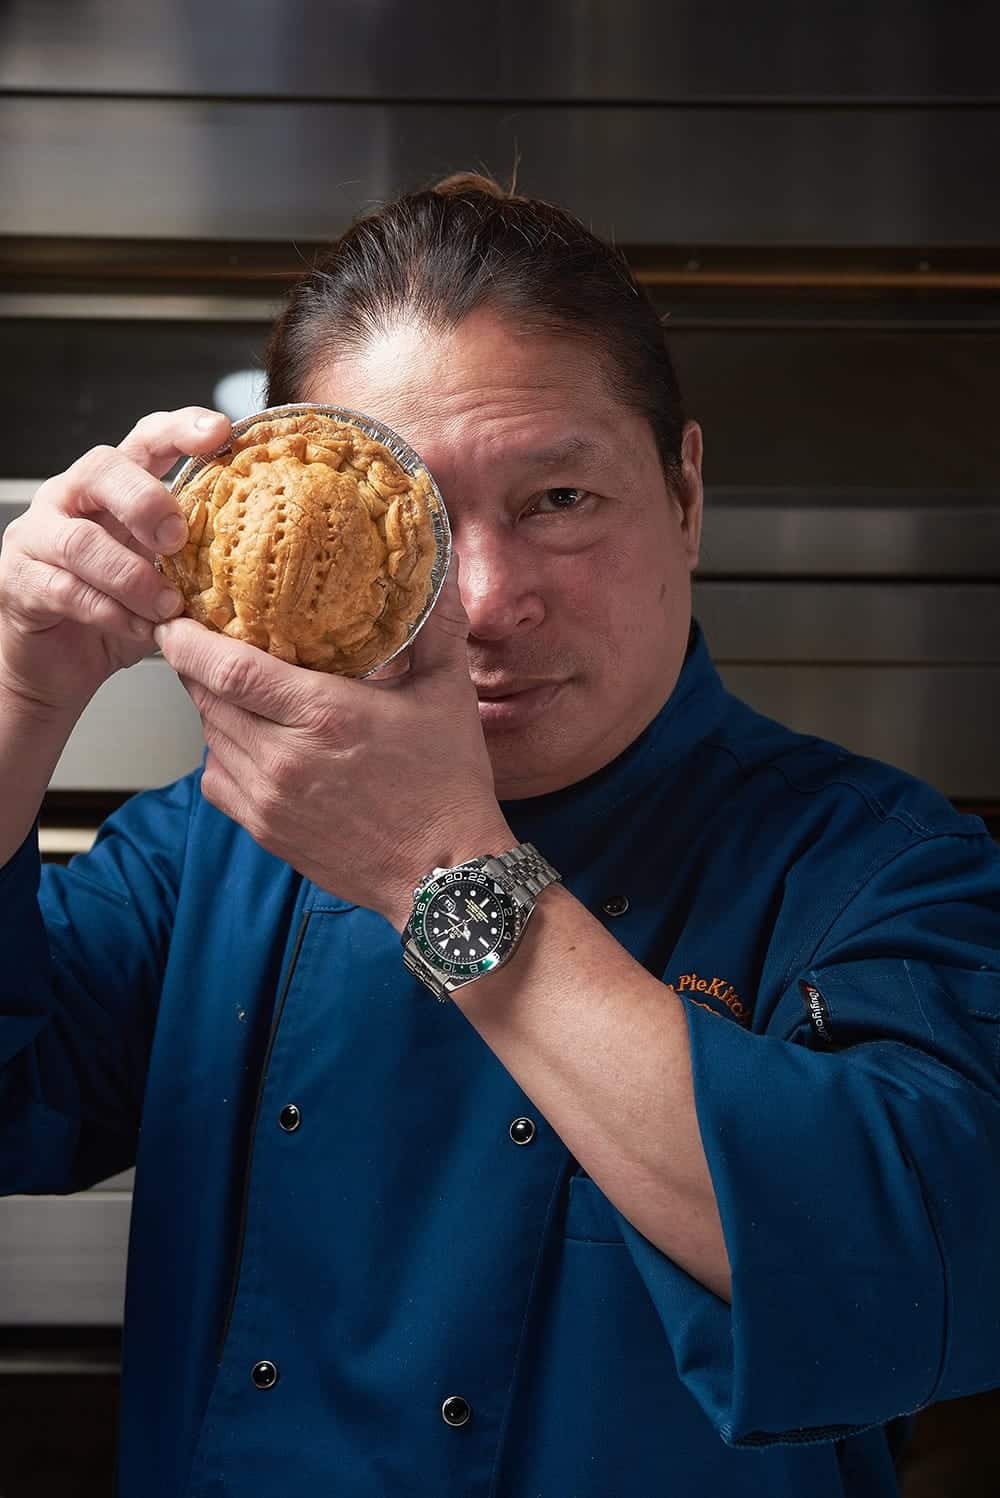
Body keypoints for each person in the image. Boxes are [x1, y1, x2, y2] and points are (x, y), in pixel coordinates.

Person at [1, 173, 999, 1498]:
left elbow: (922, 1274)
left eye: (558, 500)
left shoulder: (877, 866)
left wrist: (442, 871)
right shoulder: (214, 849)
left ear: (685, 494)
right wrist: (16, 700)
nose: (482, 599)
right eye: (407, 517)